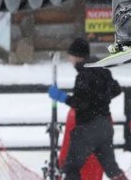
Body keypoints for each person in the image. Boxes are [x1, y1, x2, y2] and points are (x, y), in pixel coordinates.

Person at [48, 38, 126, 180]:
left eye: (70, 56)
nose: (69, 59)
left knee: (71, 168)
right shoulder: (102, 69)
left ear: (77, 56)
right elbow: (116, 89)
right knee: (112, 170)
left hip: (87, 129)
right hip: (105, 127)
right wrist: (100, 101)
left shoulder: (83, 75)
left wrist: (62, 97)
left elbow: (81, 103)